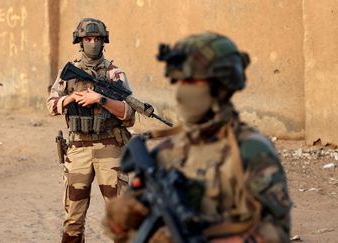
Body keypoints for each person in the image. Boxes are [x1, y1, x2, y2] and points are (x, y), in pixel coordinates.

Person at [104, 32, 291, 243]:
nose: (184, 90)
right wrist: (126, 217)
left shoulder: (250, 150)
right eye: (181, 81)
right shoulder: (168, 148)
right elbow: (128, 228)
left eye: (193, 81)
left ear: (221, 86)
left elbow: (276, 232)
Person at [47, 18, 135, 243]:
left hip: (110, 147)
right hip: (78, 148)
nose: (93, 43)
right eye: (88, 39)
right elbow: (51, 105)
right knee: (73, 218)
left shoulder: (115, 74)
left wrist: (101, 98)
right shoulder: (69, 72)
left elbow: (129, 114)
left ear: (104, 41)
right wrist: (69, 98)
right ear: (80, 41)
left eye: (97, 39)